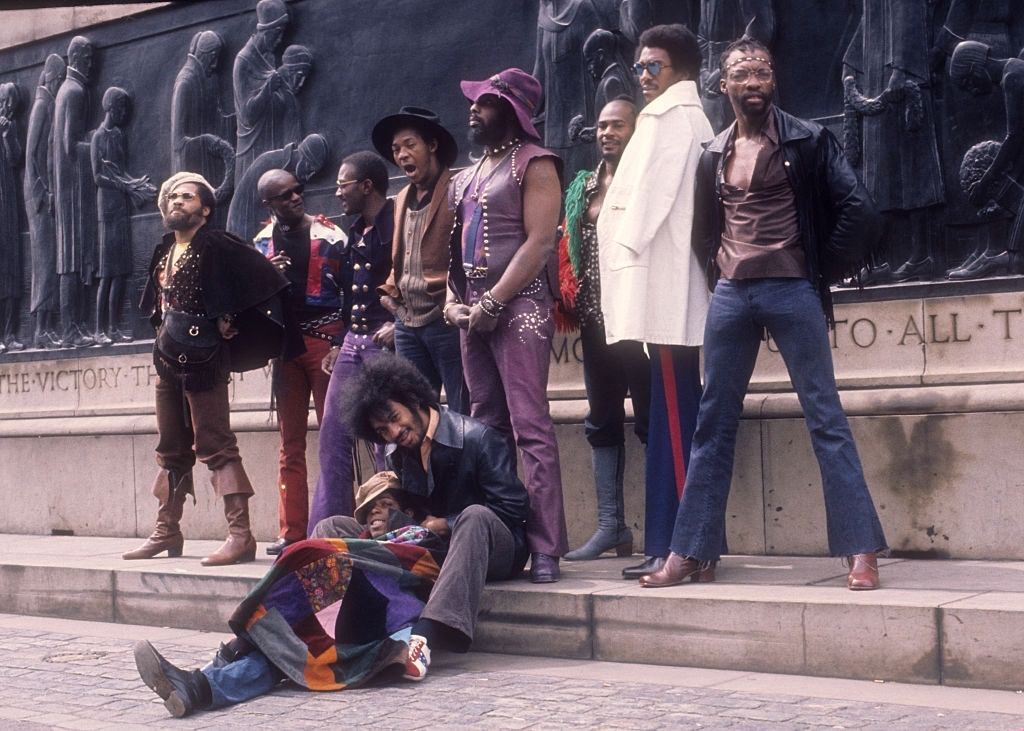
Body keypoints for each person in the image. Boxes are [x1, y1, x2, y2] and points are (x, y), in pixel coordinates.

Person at [640, 39, 888, 590]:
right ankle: (690, 552)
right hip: (732, 295)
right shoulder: (713, 152)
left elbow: (860, 209)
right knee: (712, 424)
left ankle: (861, 551)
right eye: (742, 74)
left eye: (762, 73)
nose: (753, 83)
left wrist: (817, 267)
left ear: (773, 81)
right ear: (723, 84)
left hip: (791, 288)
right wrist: (721, 276)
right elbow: (704, 231)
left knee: (825, 417)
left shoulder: (808, 139)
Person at [133, 472, 446, 718]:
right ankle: (197, 688)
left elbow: (408, 589)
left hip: (373, 632)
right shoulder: (359, 546)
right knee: (285, 651)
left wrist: (404, 646)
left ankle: (210, 673)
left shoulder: (416, 541)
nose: (375, 511)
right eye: (369, 508)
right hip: (332, 626)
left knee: (290, 635)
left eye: (386, 503)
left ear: (406, 512)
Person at [318, 353, 529, 678]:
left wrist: (447, 523)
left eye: (394, 418)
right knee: (331, 526)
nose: (393, 432)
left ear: (413, 398)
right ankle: (318, 625)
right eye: (382, 430)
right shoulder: (397, 454)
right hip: (434, 547)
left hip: (491, 546)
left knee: (474, 515)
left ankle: (425, 638)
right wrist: (388, 518)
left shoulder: (478, 437)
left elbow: (515, 510)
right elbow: (415, 520)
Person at [123, 172, 291, 566]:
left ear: (205, 209)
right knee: (170, 448)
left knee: (215, 443)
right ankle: (167, 529)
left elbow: (259, 277)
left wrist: (229, 317)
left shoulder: (216, 243)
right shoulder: (166, 249)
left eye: (186, 196)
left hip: (205, 362)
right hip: (168, 361)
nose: (176, 201)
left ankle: (241, 536)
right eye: (172, 197)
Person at [595, 24, 713, 579]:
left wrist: (621, 248)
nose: (642, 75)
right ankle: (675, 542)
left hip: (665, 292)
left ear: (680, 69)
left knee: (675, 420)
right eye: (639, 66)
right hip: (664, 290)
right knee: (671, 420)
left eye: (653, 66)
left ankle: (683, 546)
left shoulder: (669, 119)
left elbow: (647, 206)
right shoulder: (674, 115)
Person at [445, 67, 568, 583]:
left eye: (486, 102)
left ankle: (546, 547)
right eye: (474, 102)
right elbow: (453, 252)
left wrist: (494, 301)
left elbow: (540, 243)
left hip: (520, 308)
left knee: (529, 426)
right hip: (472, 311)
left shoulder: (535, 162)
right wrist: (452, 301)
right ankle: (500, 540)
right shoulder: (464, 176)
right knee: (485, 427)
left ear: (512, 110)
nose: (473, 110)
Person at [557, 98, 650, 561]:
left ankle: (666, 526)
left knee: (652, 421)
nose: (607, 133)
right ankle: (611, 527)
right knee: (601, 420)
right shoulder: (584, 186)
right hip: (596, 323)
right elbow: (569, 246)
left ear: (636, 130)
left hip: (638, 320)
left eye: (618, 125)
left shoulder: (646, 180)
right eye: (602, 126)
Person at [252, 169, 347, 555]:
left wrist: (341, 342)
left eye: (297, 190)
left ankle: (335, 523)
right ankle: (291, 532)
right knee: (289, 443)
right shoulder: (260, 244)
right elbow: (250, 302)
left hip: (325, 341)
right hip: (285, 348)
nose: (295, 197)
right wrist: (266, 279)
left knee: (333, 437)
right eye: (284, 195)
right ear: (269, 204)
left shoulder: (330, 235)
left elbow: (351, 293)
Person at [311, 151, 395, 525]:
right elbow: (350, 295)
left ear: (366, 186)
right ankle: (328, 528)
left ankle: (390, 524)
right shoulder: (356, 231)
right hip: (352, 342)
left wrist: (400, 323)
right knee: (332, 435)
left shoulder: (398, 224)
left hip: (385, 343)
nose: (337, 192)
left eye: (342, 184)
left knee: (387, 436)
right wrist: (338, 341)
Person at [371, 106, 467, 414]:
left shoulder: (459, 190)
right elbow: (402, 255)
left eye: (410, 145)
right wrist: (391, 293)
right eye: (396, 149)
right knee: (414, 412)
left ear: (432, 145)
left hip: (444, 321)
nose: (402, 155)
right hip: (406, 323)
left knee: (462, 409)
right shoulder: (400, 198)